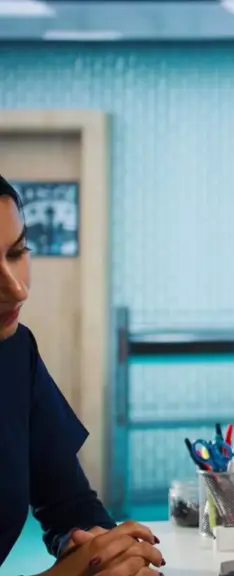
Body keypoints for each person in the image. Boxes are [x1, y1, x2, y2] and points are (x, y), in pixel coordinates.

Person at [0, 174, 165, 575]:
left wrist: (107, 551)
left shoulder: (17, 352)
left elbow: (66, 503)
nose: (17, 289)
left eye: (19, 251)